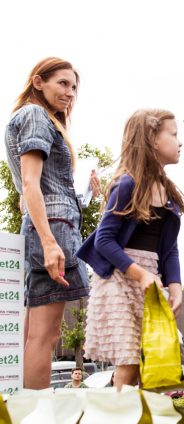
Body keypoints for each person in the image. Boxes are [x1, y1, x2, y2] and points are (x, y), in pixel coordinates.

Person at [4, 57, 98, 389]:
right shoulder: (34, 116)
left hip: (49, 224)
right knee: (45, 335)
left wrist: (82, 193)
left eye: (74, 86)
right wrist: (48, 241)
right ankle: (35, 423)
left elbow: (27, 192)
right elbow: (30, 185)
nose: (70, 92)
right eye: (63, 83)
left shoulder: (29, 118)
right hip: (53, 229)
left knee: (35, 333)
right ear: (38, 81)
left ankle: (26, 419)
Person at [77, 109, 184, 390]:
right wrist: (140, 274)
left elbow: (169, 248)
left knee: (151, 359)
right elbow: (104, 241)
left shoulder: (168, 192)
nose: (179, 142)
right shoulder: (127, 184)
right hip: (119, 277)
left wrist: (175, 284)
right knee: (128, 360)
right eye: (173, 135)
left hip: (149, 278)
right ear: (152, 139)